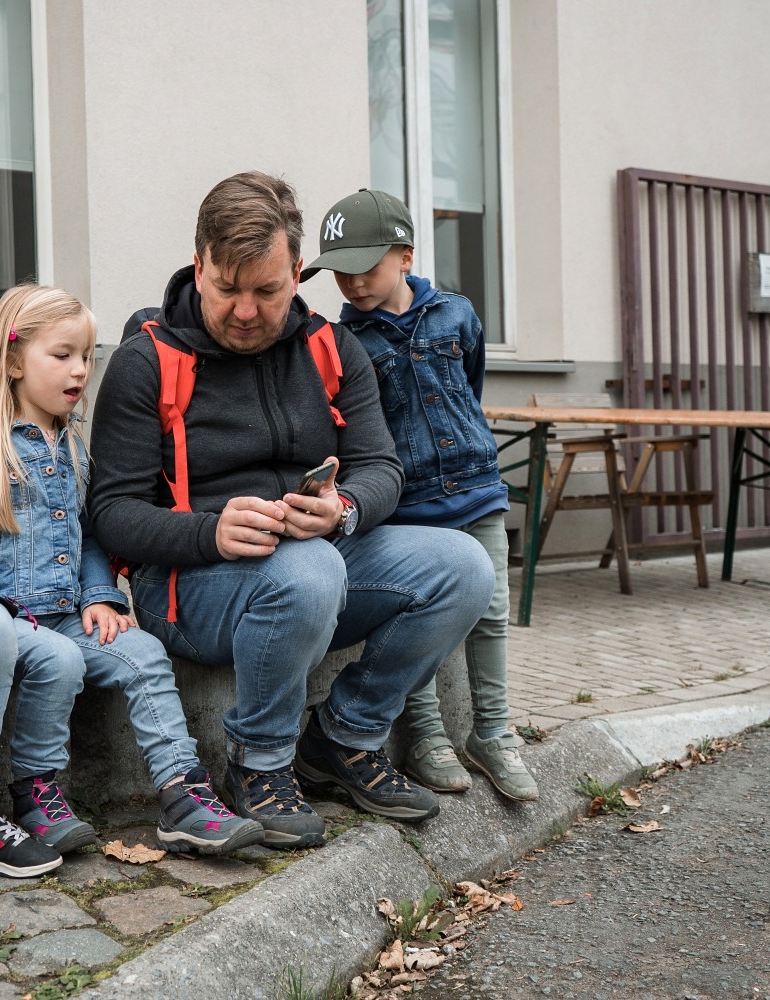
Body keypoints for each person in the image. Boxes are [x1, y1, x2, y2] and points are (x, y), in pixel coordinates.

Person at [88, 172, 496, 849]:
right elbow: (112, 511)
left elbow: (380, 468)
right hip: (189, 587)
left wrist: (343, 509)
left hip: (318, 563)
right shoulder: (146, 361)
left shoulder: (334, 349)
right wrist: (208, 532)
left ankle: (342, 737)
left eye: (268, 291)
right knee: (308, 572)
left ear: (297, 274)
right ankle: (260, 764)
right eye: (227, 290)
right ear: (199, 267)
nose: (245, 311)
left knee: (464, 567)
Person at [0, 284, 266, 860]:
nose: (79, 370)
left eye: (86, 356)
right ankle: (37, 793)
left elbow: (87, 538)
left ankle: (184, 795)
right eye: (61, 356)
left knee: (146, 653)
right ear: (12, 361)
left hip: (68, 615)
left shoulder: (75, 450)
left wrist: (101, 596)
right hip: (5, 626)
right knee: (54, 663)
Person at [301, 188, 538, 803]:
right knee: (423, 606)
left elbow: (470, 383)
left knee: (490, 613)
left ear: (405, 256)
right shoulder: (341, 342)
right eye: (339, 273)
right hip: (403, 503)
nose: (352, 284)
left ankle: (494, 732)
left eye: (366, 267)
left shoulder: (455, 313)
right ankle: (427, 735)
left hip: (475, 490)